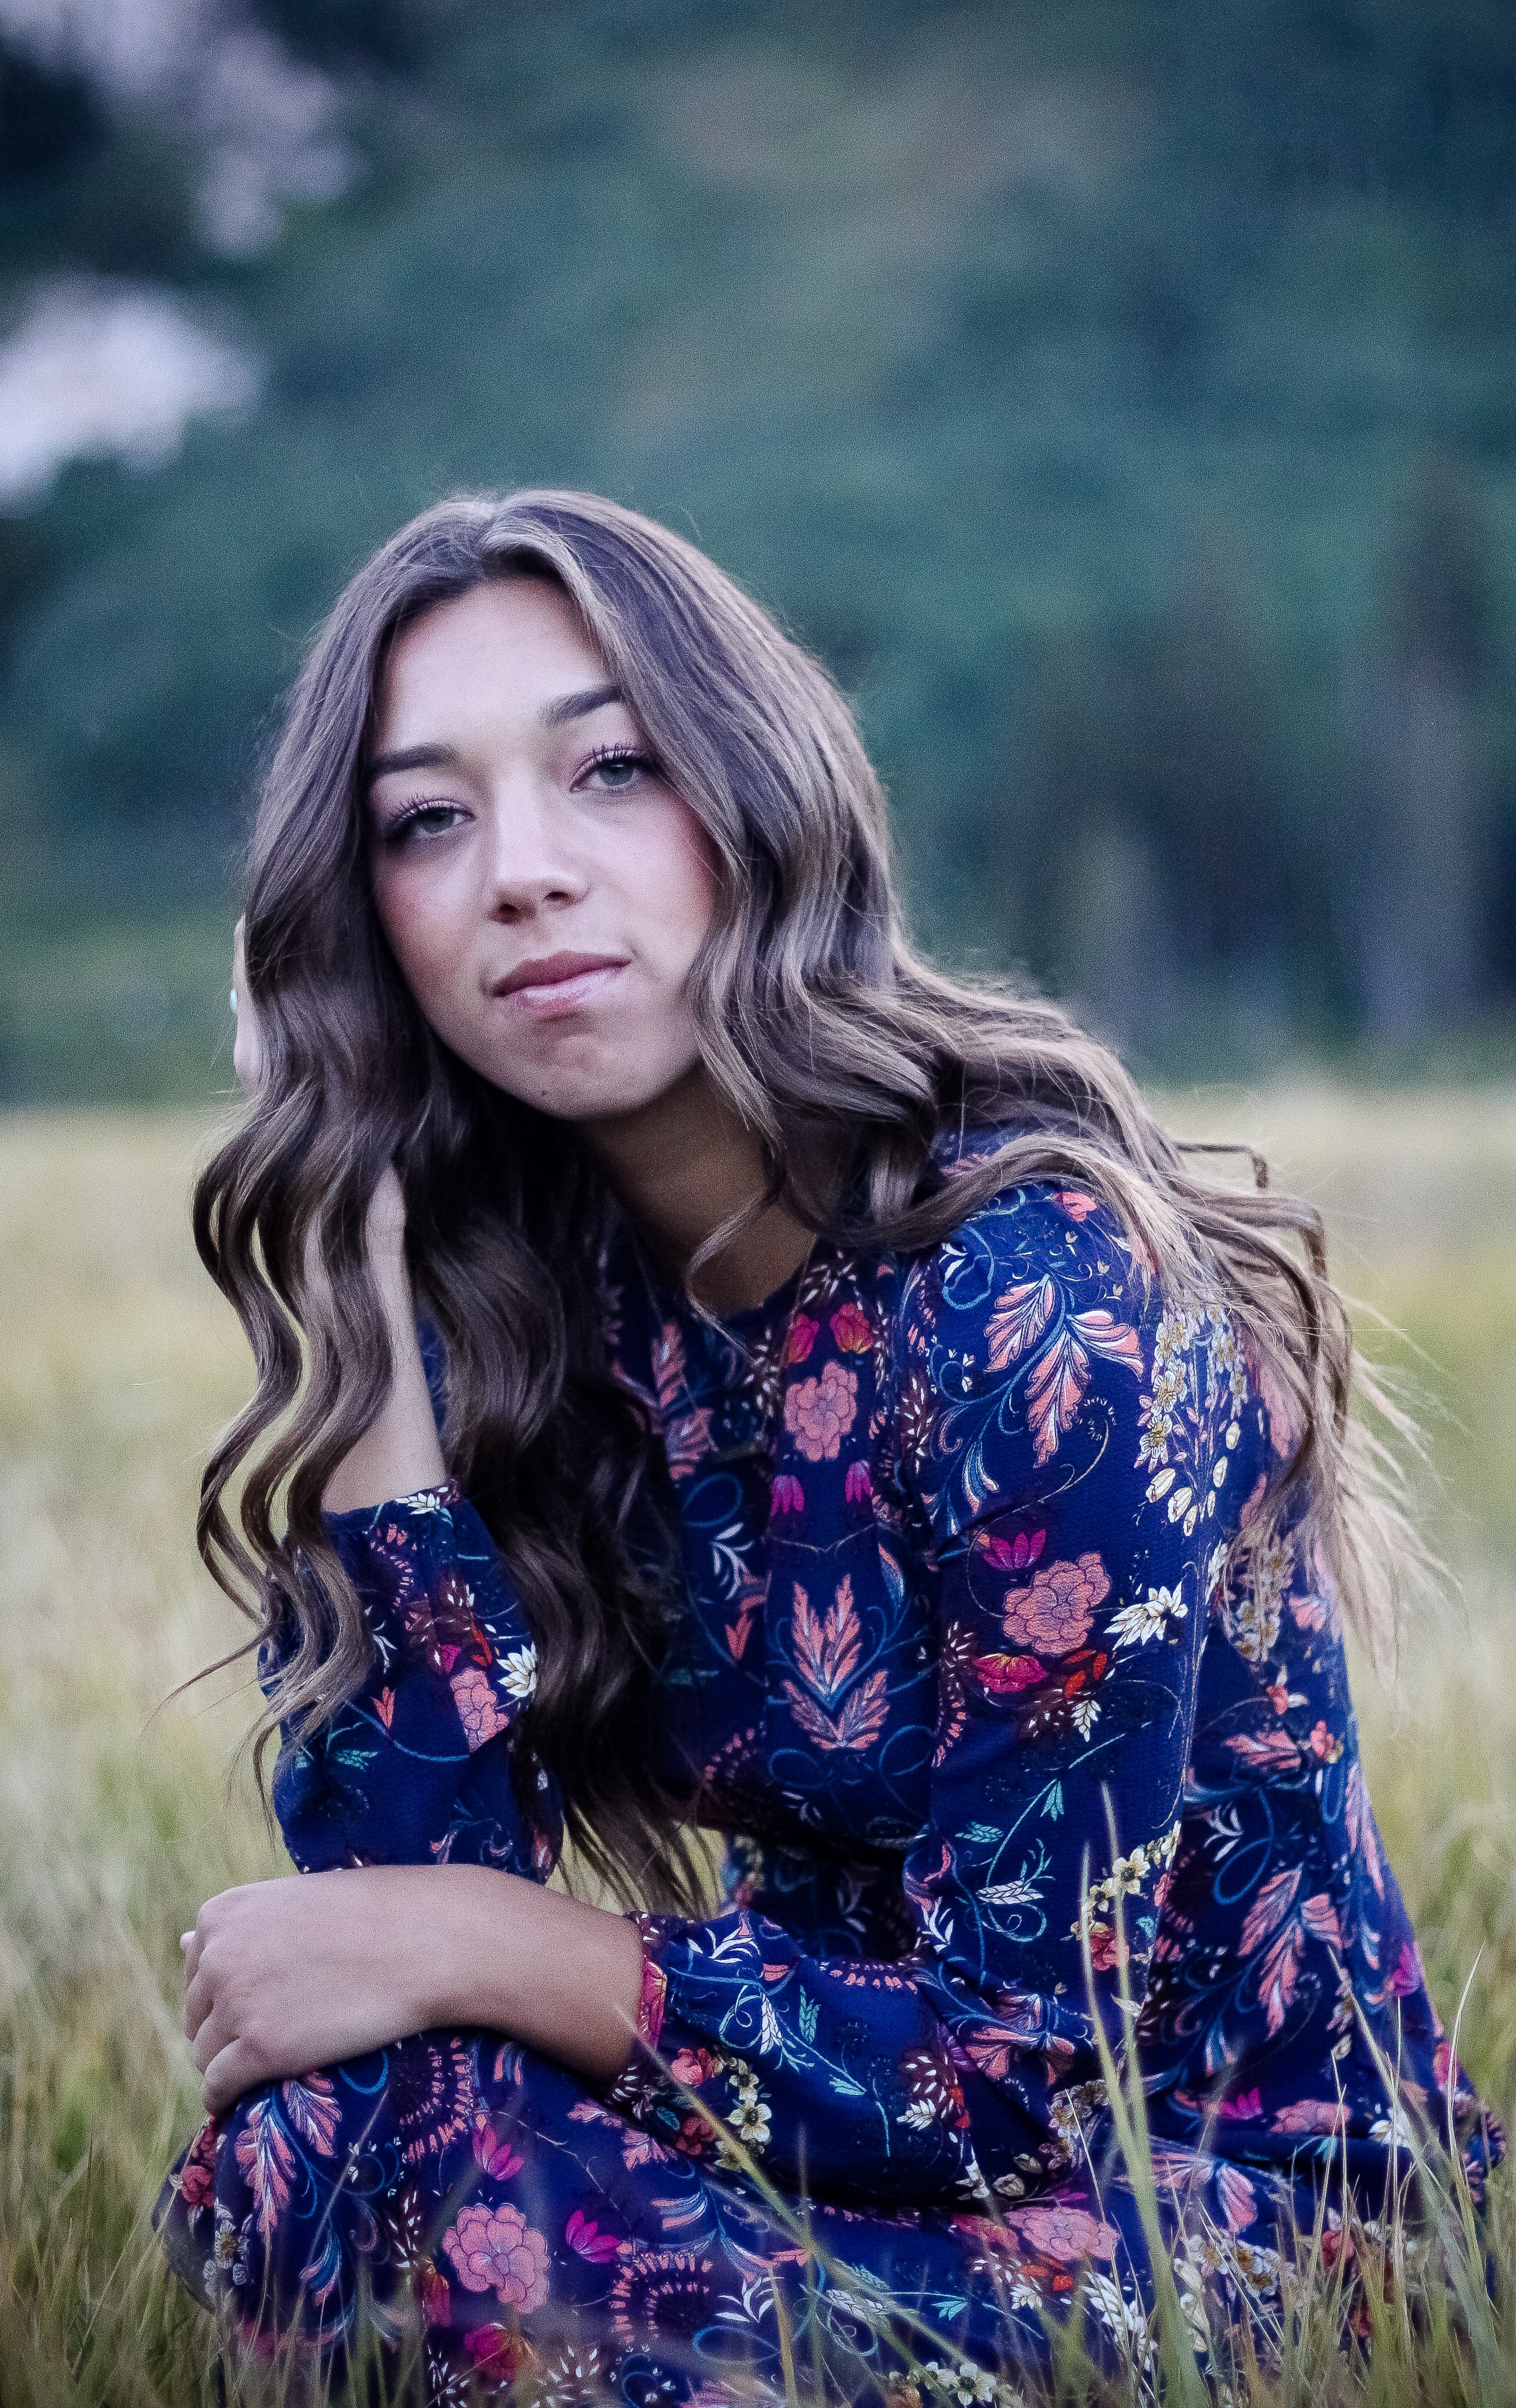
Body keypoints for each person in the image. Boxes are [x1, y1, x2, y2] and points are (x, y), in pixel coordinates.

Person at [158, 490, 1500, 2402]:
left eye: (610, 769)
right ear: (354, 917)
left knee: (457, 2222)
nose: (521, 874)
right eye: (425, 820)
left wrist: (483, 1939)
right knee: (325, 2152)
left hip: (1222, 2212)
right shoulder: (542, 1315)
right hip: (831, 2154)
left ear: (755, 796)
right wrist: (361, 1301)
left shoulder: (1037, 1306)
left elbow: (1020, 2080)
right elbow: (379, 1945)